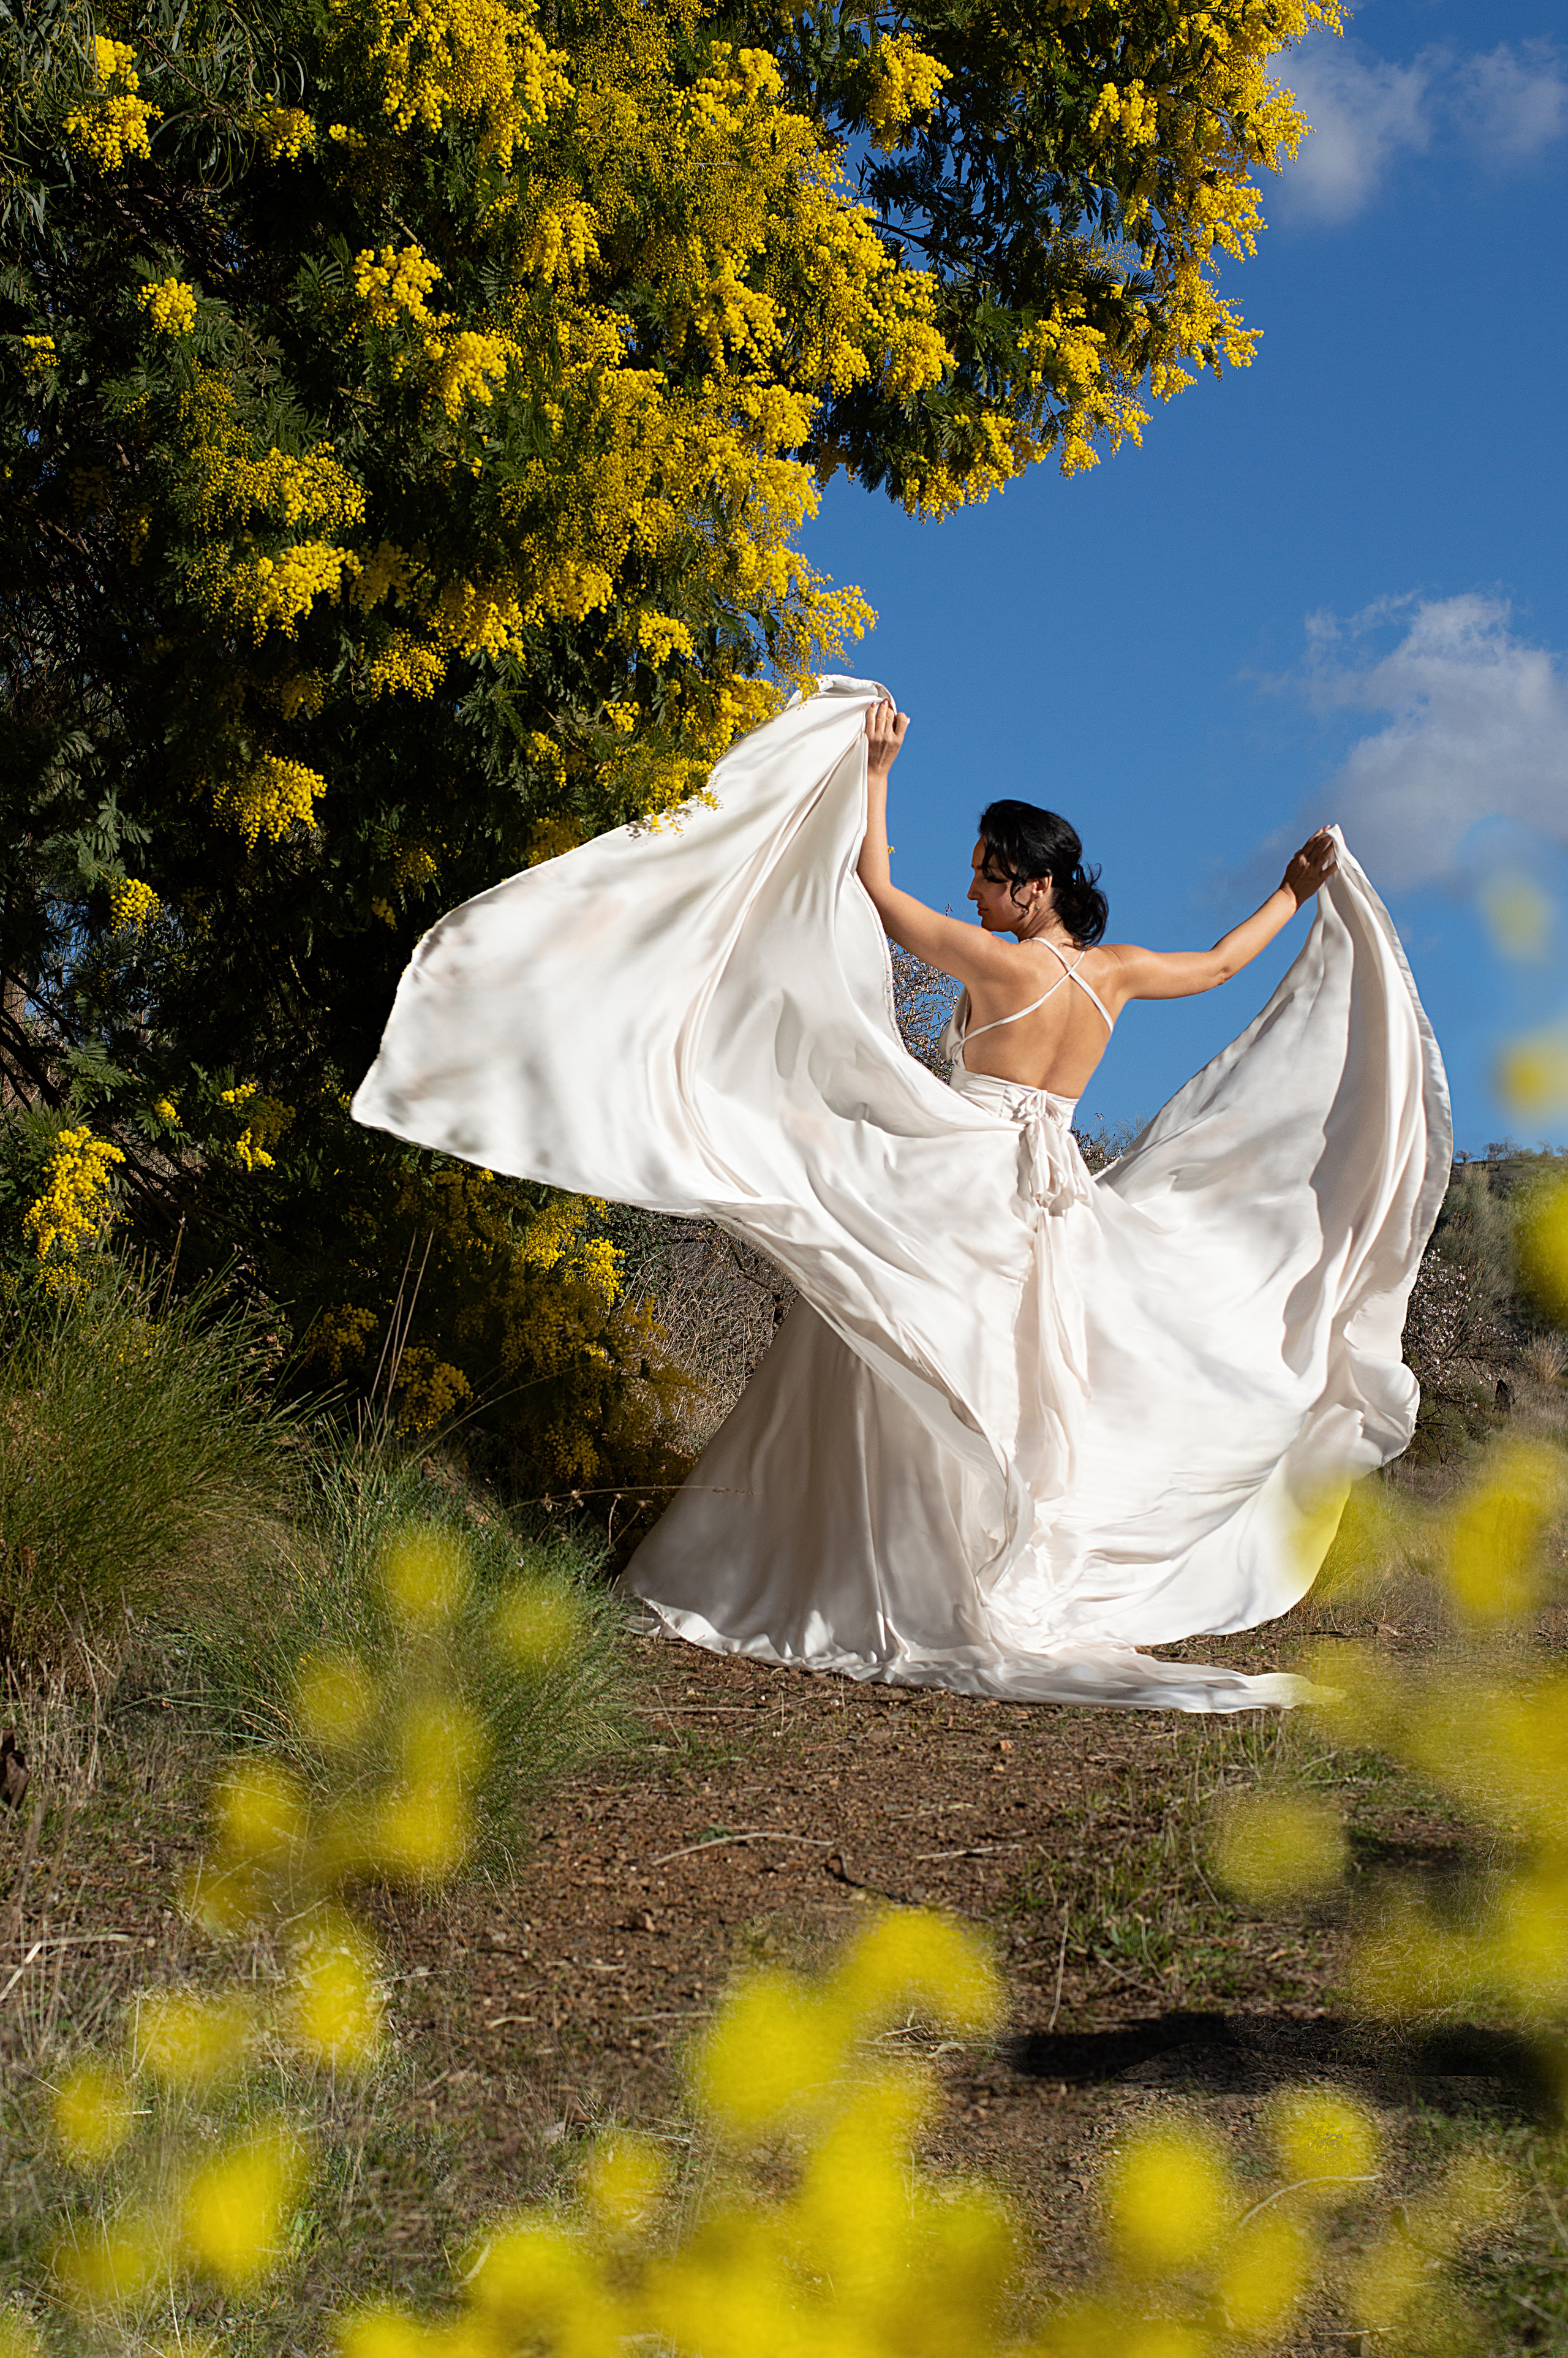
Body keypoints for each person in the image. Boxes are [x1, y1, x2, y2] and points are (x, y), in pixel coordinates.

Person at [353, 675, 1451, 1711]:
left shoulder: (1002, 962)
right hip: (1055, 1197)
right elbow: (1219, 965)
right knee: (985, 1376)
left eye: (984, 872)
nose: (971, 888)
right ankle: (953, 1564)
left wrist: (876, 773)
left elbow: (879, 897)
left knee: (886, 1340)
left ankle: (843, 1576)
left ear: (1034, 883)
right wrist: (1297, 893)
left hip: (970, 1171)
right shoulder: (1112, 977)